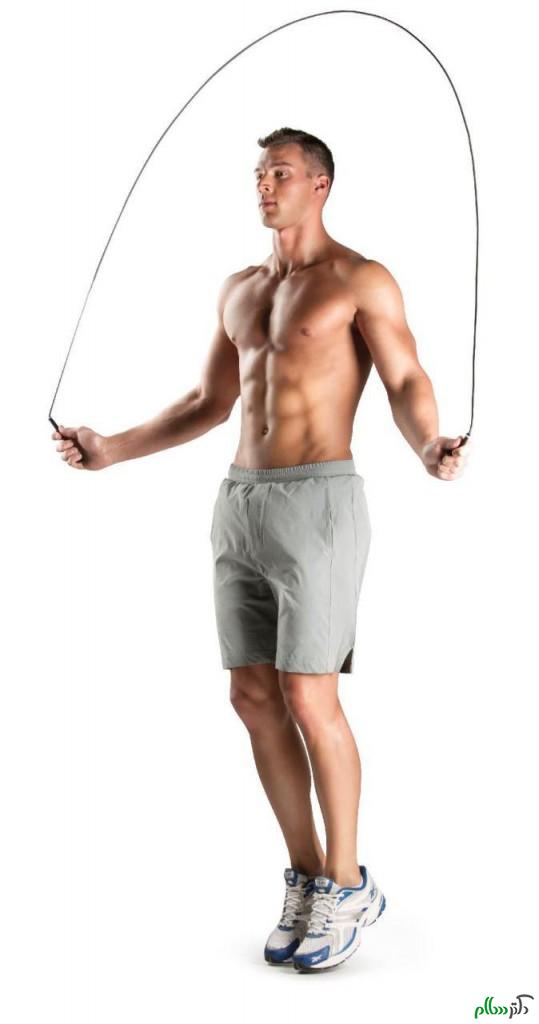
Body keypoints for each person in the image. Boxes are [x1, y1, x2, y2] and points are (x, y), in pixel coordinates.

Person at [51, 126, 471, 972]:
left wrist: (427, 443)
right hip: (239, 503)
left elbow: (404, 378)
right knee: (251, 696)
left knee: (310, 697)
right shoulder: (240, 289)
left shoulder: (358, 279)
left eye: (279, 172)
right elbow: (208, 401)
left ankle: (349, 884)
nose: (264, 186)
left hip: (319, 500)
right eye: (257, 174)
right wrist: (112, 448)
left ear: (320, 184)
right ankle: (308, 875)